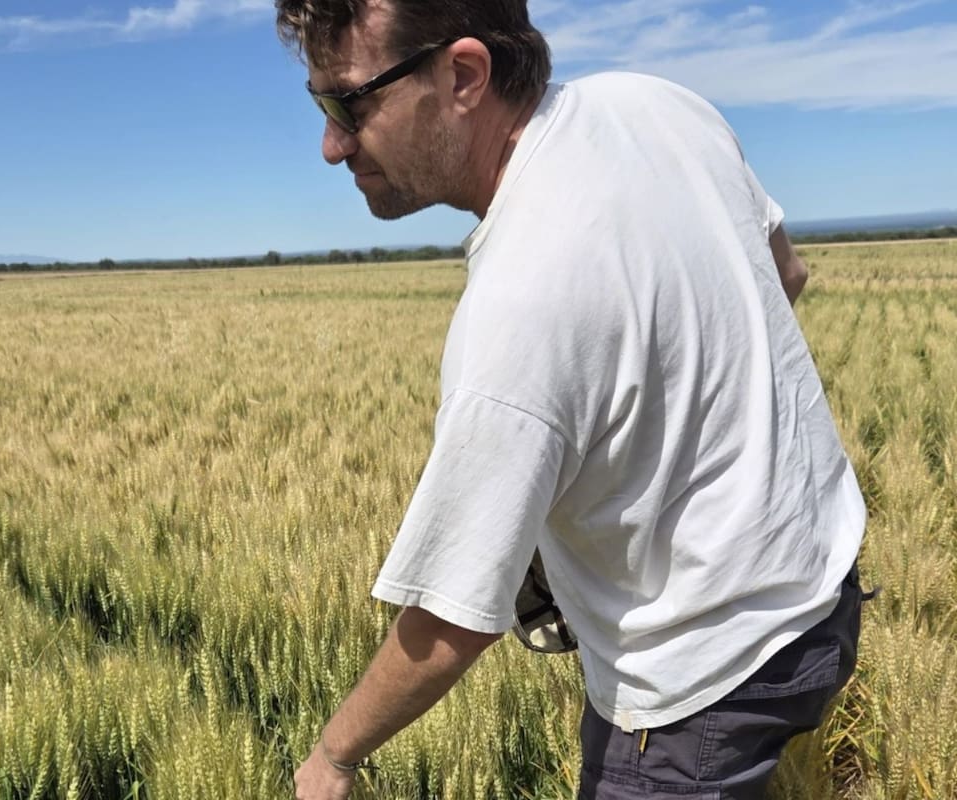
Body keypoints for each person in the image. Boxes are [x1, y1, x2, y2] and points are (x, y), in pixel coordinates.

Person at [274, 1, 867, 798]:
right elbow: (782, 276)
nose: (330, 144)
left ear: (463, 75)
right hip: (820, 587)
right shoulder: (655, 104)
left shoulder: (517, 307)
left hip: (695, 688)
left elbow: (454, 614)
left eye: (349, 101)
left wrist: (333, 756)